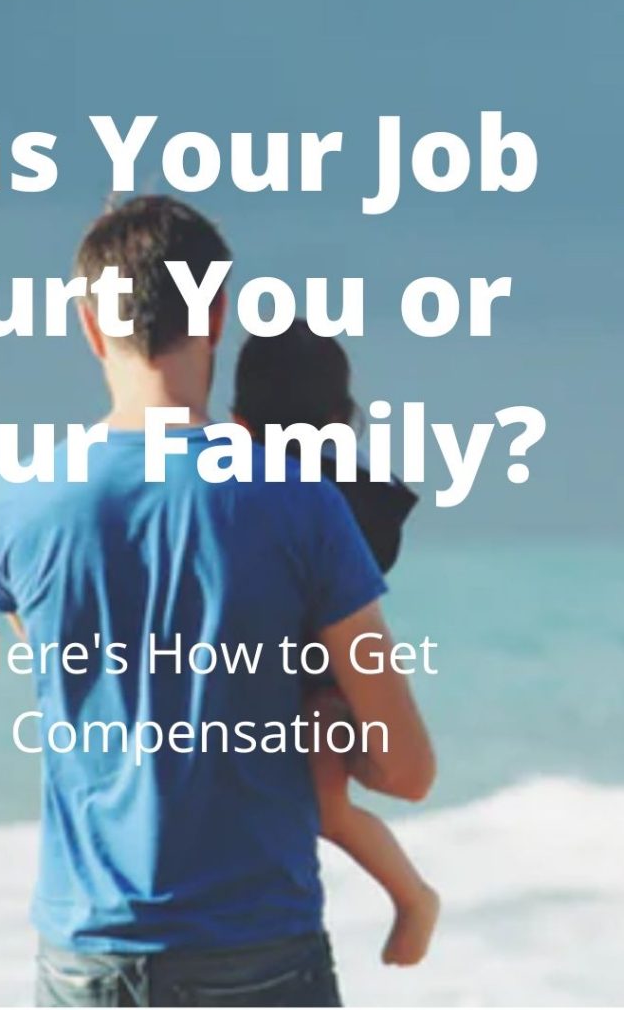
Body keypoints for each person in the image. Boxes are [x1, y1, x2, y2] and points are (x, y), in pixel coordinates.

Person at [0, 196, 435, 1007]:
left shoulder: (12, 503)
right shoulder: (298, 501)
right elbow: (405, 770)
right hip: (256, 949)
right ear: (217, 314)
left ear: (89, 324)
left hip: (86, 954)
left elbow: (79, 683)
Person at [233, 324, 439, 966]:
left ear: (237, 421)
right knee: (326, 809)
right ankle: (411, 898)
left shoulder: (231, 487)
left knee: (322, 807)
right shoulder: (356, 496)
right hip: (328, 676)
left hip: (313, 682)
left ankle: (415, 898)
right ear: (340, 418)